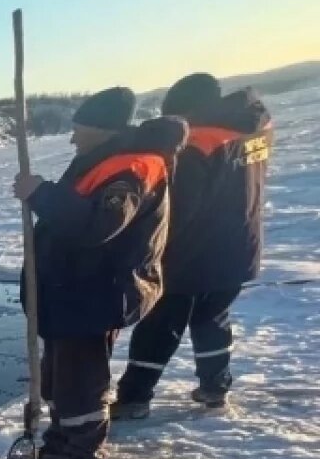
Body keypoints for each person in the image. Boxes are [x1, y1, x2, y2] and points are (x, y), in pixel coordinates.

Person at [13, 87, 187, 459]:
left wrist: (41, 194)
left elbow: (98, 225)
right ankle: (63, 442)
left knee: (79, 381)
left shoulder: (131, 169)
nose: (73, 138)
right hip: (73, 289)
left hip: (94, 292)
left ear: (102, 129)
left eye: (80, 129)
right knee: (60, 377)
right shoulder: (105, 160)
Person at [113, 75, 272, 417]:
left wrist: (150, 244)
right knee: (212, 317)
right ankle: (215, 386)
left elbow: (180, 206)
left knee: (159, 321)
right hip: (240, 245)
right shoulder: (252, 127)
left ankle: (134, 398)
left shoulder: (197, 141)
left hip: (192, 252)